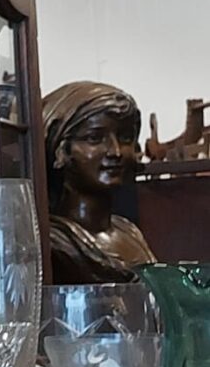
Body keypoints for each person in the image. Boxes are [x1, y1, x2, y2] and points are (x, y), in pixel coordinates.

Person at [43, 80, 157, 283]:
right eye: (94, 138)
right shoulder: (54, 241)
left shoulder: (129, 231)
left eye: (125, 138)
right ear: (60, 149)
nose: (115, 151)